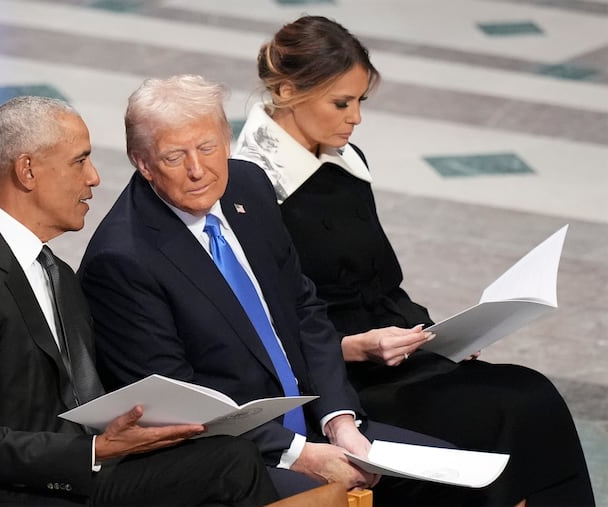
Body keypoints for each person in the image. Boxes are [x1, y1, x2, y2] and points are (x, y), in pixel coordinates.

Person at [79, 74, 498, 506]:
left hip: (317, 423)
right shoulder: (122, 260)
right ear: (143, 163)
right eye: (174, 156)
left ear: (227, 139)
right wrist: (300, 454)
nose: (198, 170)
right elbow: (179, 404)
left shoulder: (248, 185)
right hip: (238, 454)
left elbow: (304, 310)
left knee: (458, 479)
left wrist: (340, 421)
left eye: (207, 148)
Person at [232, 14, 595, 507]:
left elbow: (378, 282)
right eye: (342, 102)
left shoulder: (347, 162)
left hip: (397, 354)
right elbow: (263, 330)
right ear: (291, 90)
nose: (355, 117)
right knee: (502, 409)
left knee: (533, 392)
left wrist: (438, 332)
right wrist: (355, 348)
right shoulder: (251, 187)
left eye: (360, 101)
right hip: (336, 383)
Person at [0, 95, 279, 506]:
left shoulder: (56, 273)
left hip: (81, 476)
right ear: (27, 170)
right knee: (231, 466)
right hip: (17, 494)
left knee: (231, 455)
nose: (95, 177)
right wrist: (94, 450)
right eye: (79, 161)